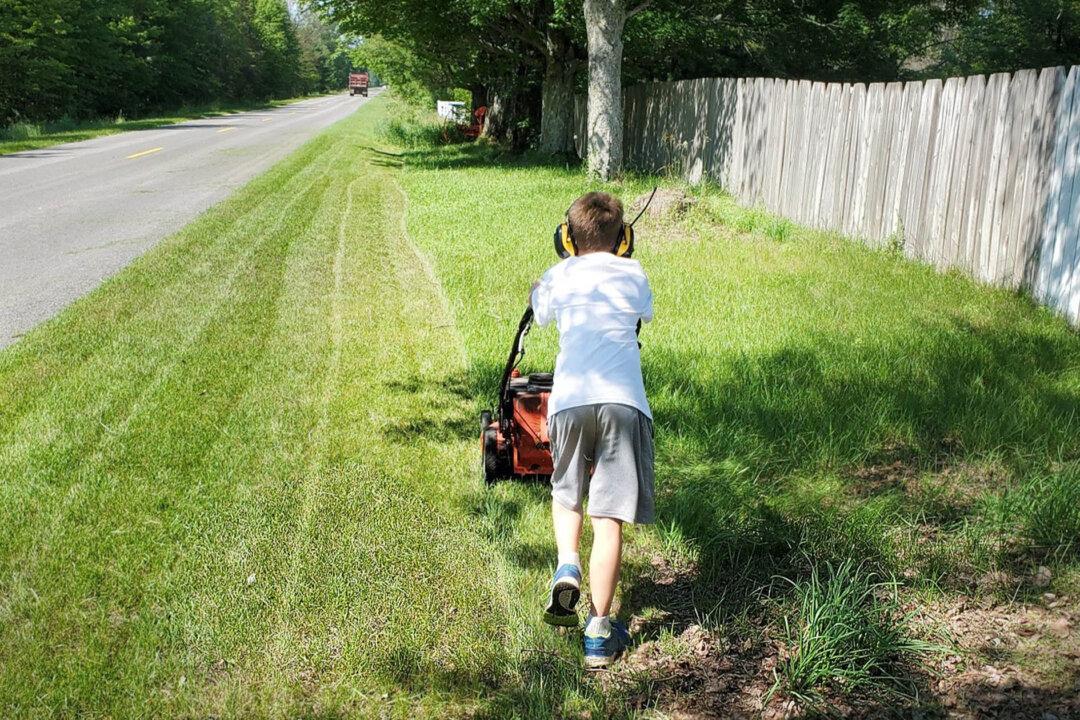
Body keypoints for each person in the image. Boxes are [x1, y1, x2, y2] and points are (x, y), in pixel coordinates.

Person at [529, 191, 655, 670]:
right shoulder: (634, 273)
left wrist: (539, 289)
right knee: (609, 516)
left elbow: (540, 312)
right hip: (623, 403)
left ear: (567, 239)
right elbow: (644, 315)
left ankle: (568, 563)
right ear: (624, 238)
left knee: (567, 492)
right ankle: (599, 633)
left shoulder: (559, 275)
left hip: (570, 401)